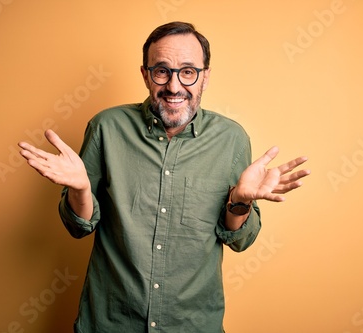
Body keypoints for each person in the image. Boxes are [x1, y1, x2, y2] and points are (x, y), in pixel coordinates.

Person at [18, 21, 310, 333]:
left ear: (205, 76)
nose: (174, 86)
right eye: (161, 71)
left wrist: (238, 203)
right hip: (110, 322)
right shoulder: (106, 128)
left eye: (188, 71)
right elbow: (78, 227)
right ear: (145, 74)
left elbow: (239, 240)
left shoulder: (232, 139)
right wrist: (80, 190)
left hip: (192, 324)